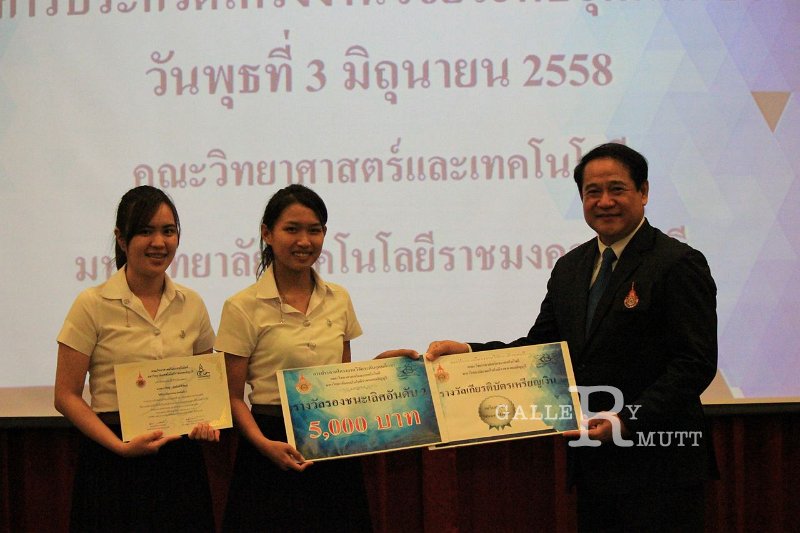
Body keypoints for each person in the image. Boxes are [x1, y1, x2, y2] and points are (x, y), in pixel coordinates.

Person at [394, 143, 718, 531]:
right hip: (594, 465)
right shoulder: (571, 268)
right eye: (593, 192)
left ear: (644, 192)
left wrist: (627, 419)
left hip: (662, 465)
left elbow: (695, 363)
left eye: (616, 189)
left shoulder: (677, 263)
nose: (604, 201)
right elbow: (541, 351)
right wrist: (467, 353)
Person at [54, 185, 219, 532]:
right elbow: (65, 395)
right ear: (121, 238)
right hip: (112, 457)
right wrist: (119, 446)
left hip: (180, 461)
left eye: (168, 231)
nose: (159, 242)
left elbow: (207, 383)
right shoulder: (92, 304)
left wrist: (207, 421)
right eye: (145, 231)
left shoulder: (192, 303)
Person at [216, 184, 372, 532]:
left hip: (333, 442)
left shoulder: (339, 298)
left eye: (314, 230)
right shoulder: (241, 307)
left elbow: (343, 379)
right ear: (267, 233)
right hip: (270, 446)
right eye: (292, 229)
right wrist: (264, 445)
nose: (304, 241)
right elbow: (231, 396)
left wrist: (388, 368)